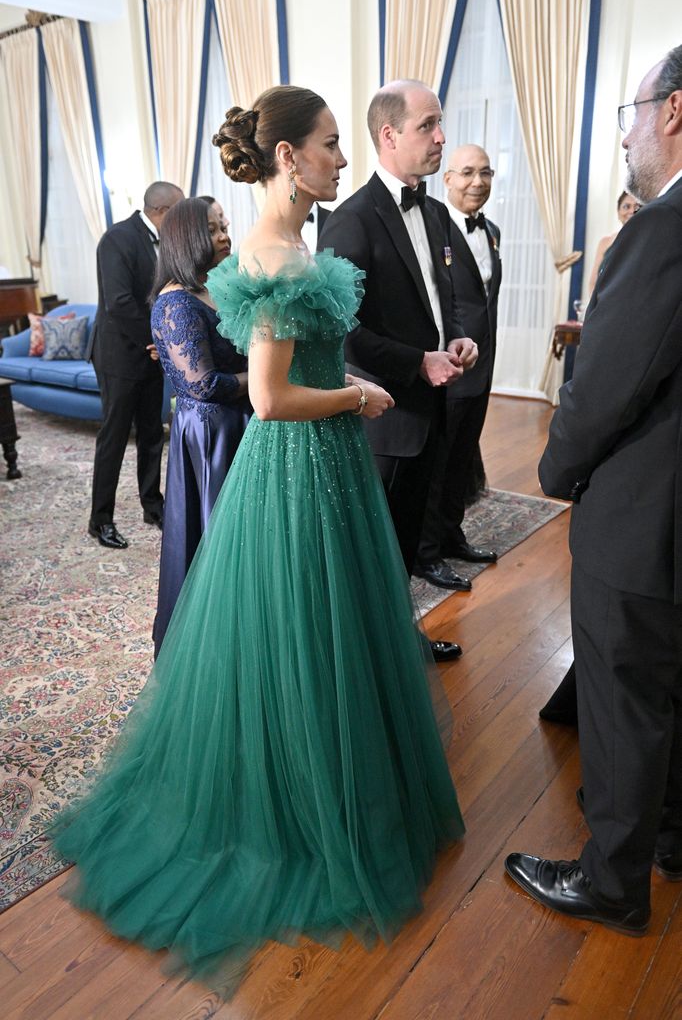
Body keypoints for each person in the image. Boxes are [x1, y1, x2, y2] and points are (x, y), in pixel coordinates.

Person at [53, 84, 464, 993]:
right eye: (327, 145)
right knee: (303, 631)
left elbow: (298, 367)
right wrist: (359, 396)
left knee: (328, 631)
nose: (340, 158)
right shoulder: (277, 253)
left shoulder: (291, 244)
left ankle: (334, 796)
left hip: (323, 467)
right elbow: (273, 399)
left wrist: (351, 381)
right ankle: (297, 817)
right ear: (287, 157)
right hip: (298, 468)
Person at [506, 45, 682, 936]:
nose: (625, 136)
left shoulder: (664, 226)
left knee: (622, 695)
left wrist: (553, 469)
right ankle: (672, 835)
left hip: (648, 516)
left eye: (631, 113)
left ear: (673, 112)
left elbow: (608, 384)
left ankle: (612, 883)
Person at [320, 80, 478, 660]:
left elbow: (441, 299)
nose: (441, 137)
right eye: (428, 125)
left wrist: (455, 339)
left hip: (430, 406)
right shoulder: (350, 221)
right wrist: (418, 362)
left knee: (407, 542)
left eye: (441, 123)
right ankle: (370, 659)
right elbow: (340, 330)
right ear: (389, 135)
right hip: (383, 420)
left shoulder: (435, 212)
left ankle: (399, 642)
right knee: (375, 549)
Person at [149, 198, 251, 658]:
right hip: (211, 435)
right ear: (187, 239)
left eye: (224, 225)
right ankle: (213, 645)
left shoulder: (218, 288)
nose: (224, 235)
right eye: (213, 229)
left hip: (242, 421)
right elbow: (204, 384)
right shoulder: (175, 302)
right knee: (215, 538)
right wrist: (269, 381)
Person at [417, 144, 501, 576]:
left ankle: (452, 535)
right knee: (438, 463)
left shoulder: (492, 231)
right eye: (467, 172)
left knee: (464, 457)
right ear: (447, 179)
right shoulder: (432, 231)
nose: (478, 182)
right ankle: (426, 552)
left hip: (482, 370)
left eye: (486, 173)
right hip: (448, 367)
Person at [88, 181, 184, 549]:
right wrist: (157, 339)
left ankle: (152, 503)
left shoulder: (165, 241)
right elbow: (119, 302)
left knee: (151, 432)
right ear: (160, 210)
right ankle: (100, 520)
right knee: (113, 437)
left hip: (151, 355)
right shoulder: (116, 239)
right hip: (119, 355)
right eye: (177, 212)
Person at [587, 190, 640, 292]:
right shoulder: (605, 242)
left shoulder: (647, 240)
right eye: (626, 206)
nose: (632, 211)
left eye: (637, 207)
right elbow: (593, 282)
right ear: (618, 212)